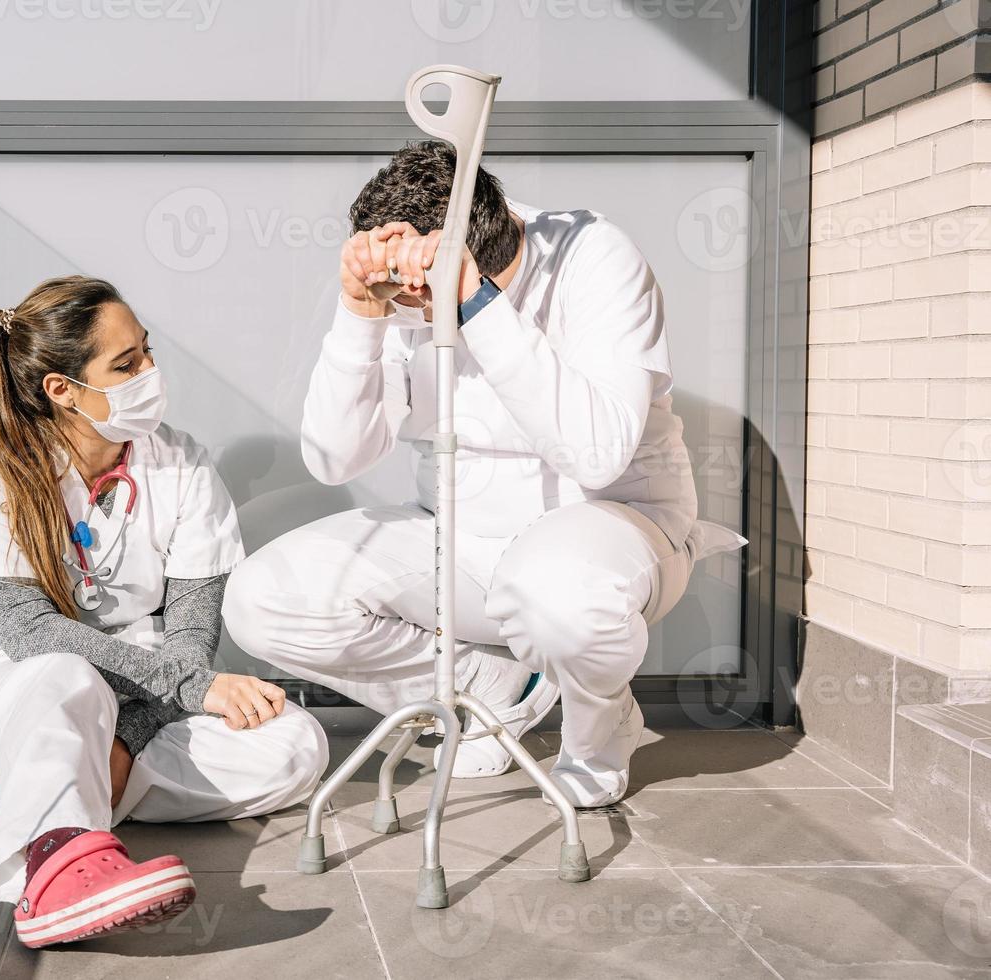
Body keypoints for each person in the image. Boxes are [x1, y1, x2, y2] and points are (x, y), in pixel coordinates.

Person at [223, 142, 743, 809]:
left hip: (611, 533)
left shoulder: (593, 254)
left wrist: (474, 299)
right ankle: (498, 691)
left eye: (414, 298)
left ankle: (601, 728)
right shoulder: (399, 284)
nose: (407, 308)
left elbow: (596, 453)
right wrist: (360, 312)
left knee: (556, 593)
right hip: (459, 540)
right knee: (264, 598)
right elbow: (334, 458)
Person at [0, 275, 328, 949]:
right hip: (19, 675)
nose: (151, 372)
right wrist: (190, 694)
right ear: (62, 388)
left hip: (146, 682)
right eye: (126, 365)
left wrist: (127, 737)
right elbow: (29, 633)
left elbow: (191, 629)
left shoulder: (181, 464)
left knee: (294, 746)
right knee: (69, 680)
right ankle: (55, 876)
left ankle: (27, 785)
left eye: (146, 353)